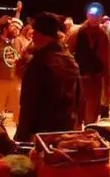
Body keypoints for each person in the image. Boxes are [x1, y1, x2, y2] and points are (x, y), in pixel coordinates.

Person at [15, 13, 80, 142]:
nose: (32, 35)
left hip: (40, 133)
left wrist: (21, 136)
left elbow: (29, 104)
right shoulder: (69, 58)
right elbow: (78, 96)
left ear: (39, 34)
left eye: (35, 31)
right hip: (65, 128)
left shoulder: (39, 62)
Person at [68, 3, 110, 125]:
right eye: (92, 15)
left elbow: (106, 60)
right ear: (87, 15)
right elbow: (67, 53)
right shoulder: (76, 32)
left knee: (92, 113)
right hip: (79, 78)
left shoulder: (103, 36)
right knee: (76, 111)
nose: (94, 18)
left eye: (97, 15)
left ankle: (88, 135)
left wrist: (107, 84)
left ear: (101, 17)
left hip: (95, 78)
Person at [0, 16, 25, 121]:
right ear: (5, 29)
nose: (16, 29)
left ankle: (18, 135)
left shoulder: (18, 42)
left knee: (19, 110)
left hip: (16, 81)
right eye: (13, 26)